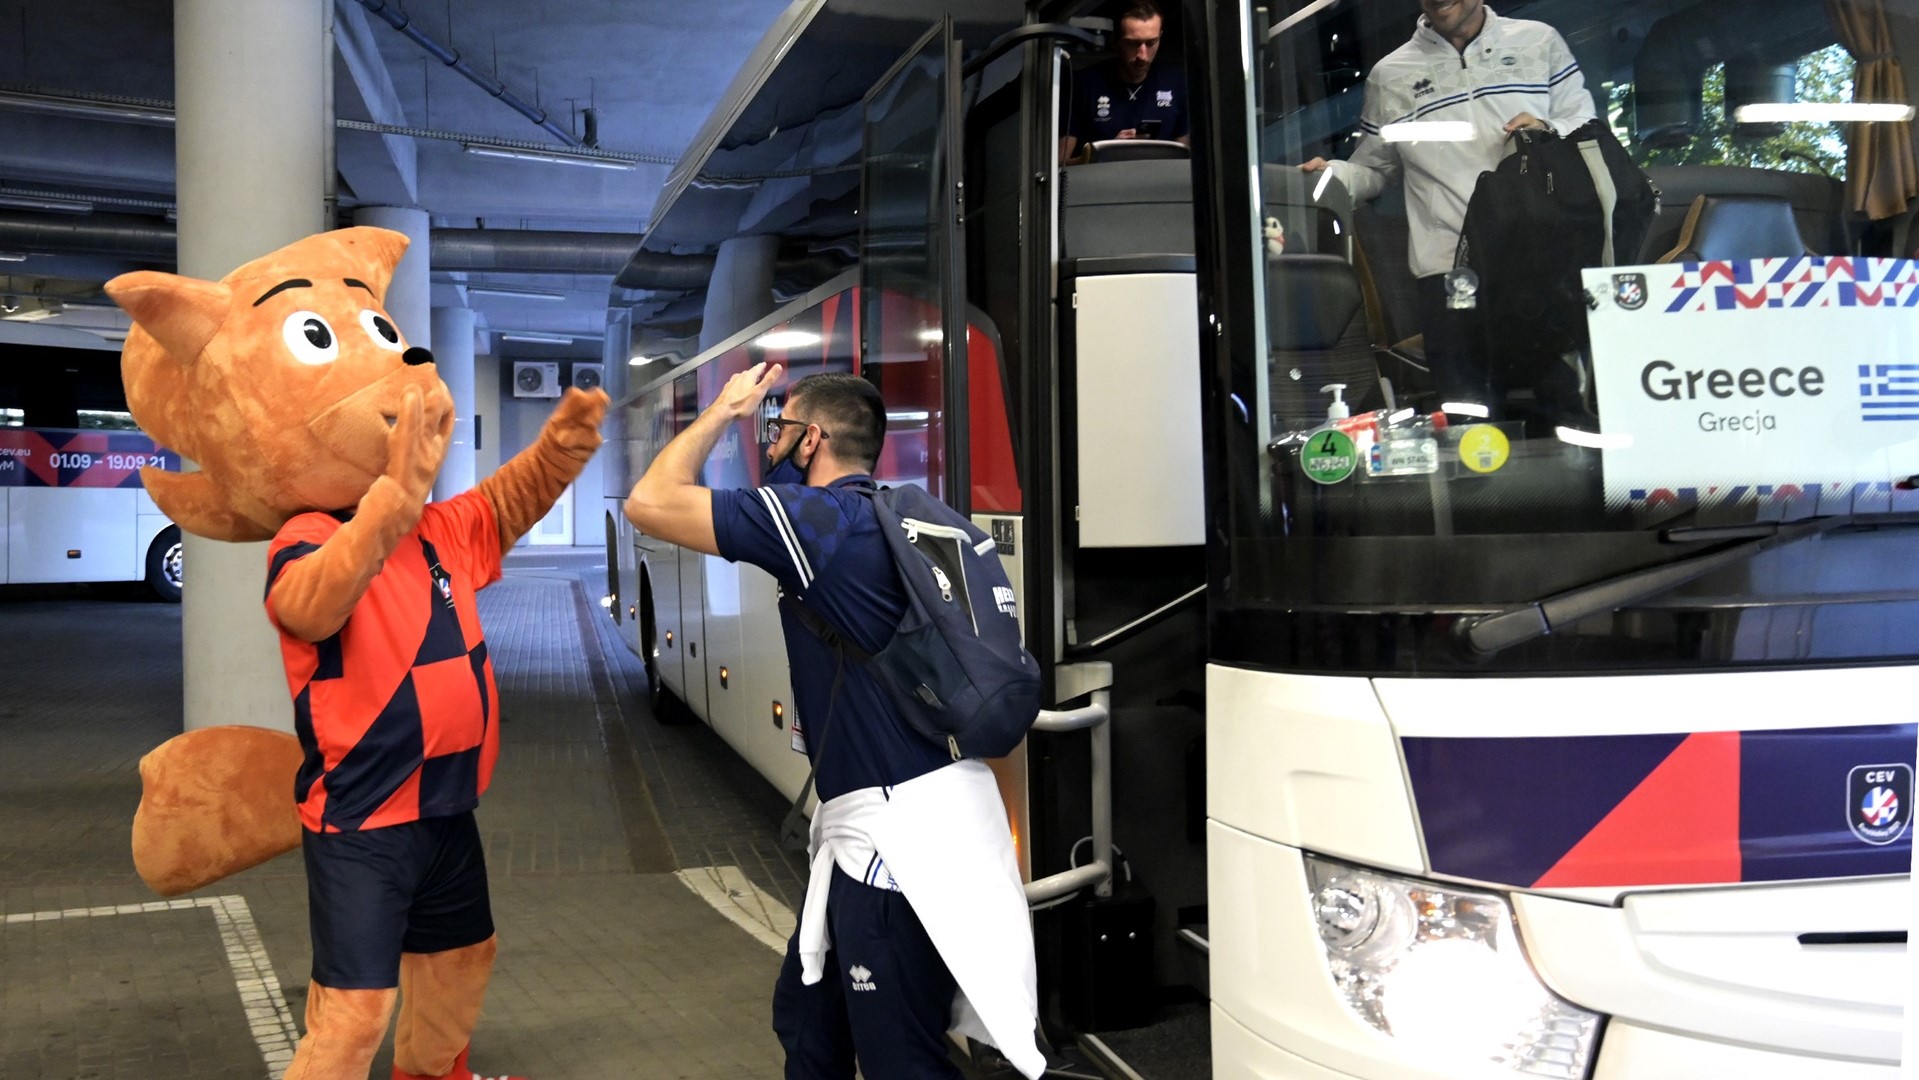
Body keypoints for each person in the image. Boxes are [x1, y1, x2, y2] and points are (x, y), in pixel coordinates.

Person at [623, 366, 1043, 1080]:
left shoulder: (825, 526)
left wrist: (724, 410)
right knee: (809, 1023)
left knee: (900, 1059)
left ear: (810, 439)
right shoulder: (906, 518)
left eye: (780, 431)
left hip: (896, 844)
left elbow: (650, 501)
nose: (771, 445)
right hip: (910, 822)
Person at [1300, 0, 1596, 403]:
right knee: (1467, 418)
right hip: (1449, 271)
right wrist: (1331, 176)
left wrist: (1548, 128)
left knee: (1562, 409)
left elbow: (1589, 129)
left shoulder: (1539, 41)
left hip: (1539, 261)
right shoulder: (1390, 75)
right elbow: (1374, 169)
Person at [1059, 0, 1190, 162]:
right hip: (1102, 182)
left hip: (1161, 181)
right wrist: (1108, 153)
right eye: (1133, 44)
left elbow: (1186, 161)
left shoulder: (1176, 82)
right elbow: (1059, 165)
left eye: (1151, 43)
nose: (1142, 55)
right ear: (1116, 41)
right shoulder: (1083, 84)